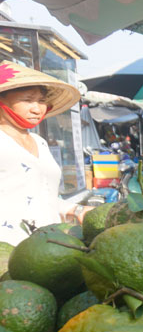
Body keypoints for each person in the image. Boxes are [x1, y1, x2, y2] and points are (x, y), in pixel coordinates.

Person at [0, 61, 83, 244]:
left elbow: (42, 196)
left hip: (48, 249)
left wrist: (76, 210)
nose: (37, 109)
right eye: (28, 100)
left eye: (42, 101)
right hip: (7, 251)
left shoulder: (41, 143)